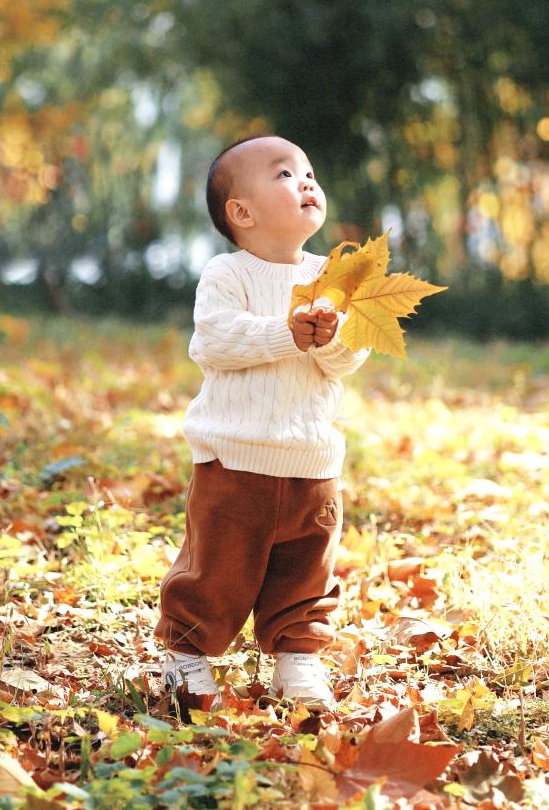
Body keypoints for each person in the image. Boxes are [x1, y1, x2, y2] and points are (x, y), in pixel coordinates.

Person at [153, 135, 368, 708]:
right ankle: (186, 656)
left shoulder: (332, 276)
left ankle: (297, 659)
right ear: (241, 213)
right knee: (218, 568)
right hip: (234, 458)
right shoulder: (228, 275)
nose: (306, 182)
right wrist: (287, 331)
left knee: (305, 570)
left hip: (312, 459)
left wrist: (331, 335)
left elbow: (349, 359)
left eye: (309, 171)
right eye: (283, 174)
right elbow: (216, 340)